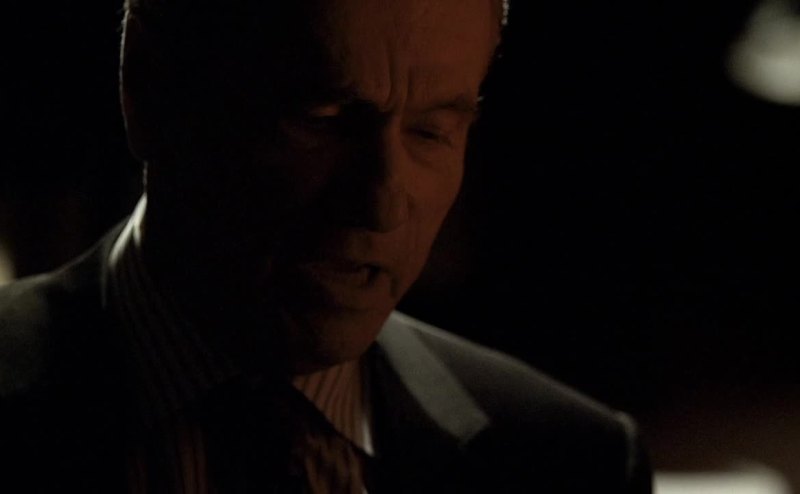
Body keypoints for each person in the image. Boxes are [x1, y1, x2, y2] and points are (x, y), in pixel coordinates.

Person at [0, 0, 652, 492]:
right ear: (149, 89)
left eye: (431, 132)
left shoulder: (573, 464)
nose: (381, 203)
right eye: (324, 119)